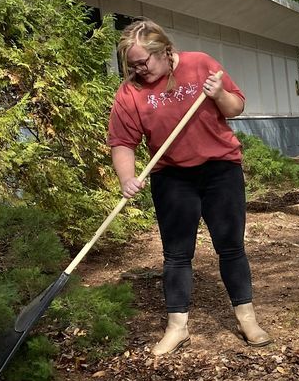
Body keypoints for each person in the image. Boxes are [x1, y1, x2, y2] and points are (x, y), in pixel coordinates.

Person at [108, 19, 271, 355]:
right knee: (177, 255)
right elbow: (122, 141)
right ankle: (177, 327)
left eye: (144, 62)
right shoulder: (130, 92)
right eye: (132, 65)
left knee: (230, 246)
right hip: (172, 177)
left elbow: (236, 107)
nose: (139, 70)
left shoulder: (200, 64)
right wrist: (126, 177)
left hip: (219, 170)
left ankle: (247, 319)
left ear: (166, 52)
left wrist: (219, 94)